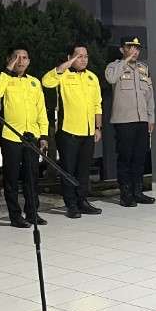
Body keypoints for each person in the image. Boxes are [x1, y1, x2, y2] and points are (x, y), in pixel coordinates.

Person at [0, 46, 49, 228]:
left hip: (31, 136)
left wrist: (43, 134)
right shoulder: (1, 79)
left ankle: (32, 213)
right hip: (11, 136)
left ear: (29, 61)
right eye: (16, 57)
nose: (21, 61)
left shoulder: (34, 82)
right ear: (9, 60)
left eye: (24, 58)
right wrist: (8, 70)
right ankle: (15, 216)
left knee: (32, 177)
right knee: (11, 178)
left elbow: (41, 110)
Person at [42, 44, 103, 218]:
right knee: (68, 170)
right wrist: (67, 64)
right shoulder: (63, 75)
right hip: (68, 132)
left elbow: (97, 104)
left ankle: (82, 201)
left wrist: (98, 127)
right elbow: (46, 81)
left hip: (88, 132)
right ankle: (71, 205)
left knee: (84, 170)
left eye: (85, 56)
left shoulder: (92, 77)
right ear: (70, 58)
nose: (83, 59)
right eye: (78, 56)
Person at [105, 37, 156, 206]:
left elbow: (149, 95)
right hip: (124, 120)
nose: (135, 51)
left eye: (137, 48)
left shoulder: (143, 68)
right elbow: (111, 79)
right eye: (131, 47)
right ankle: (126, 194)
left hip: (142, 120)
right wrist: (125, 61)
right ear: (122, 50)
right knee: (125, 158)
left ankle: (138, 192)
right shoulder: (114, 66)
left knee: (140, 157)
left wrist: (151, 117)